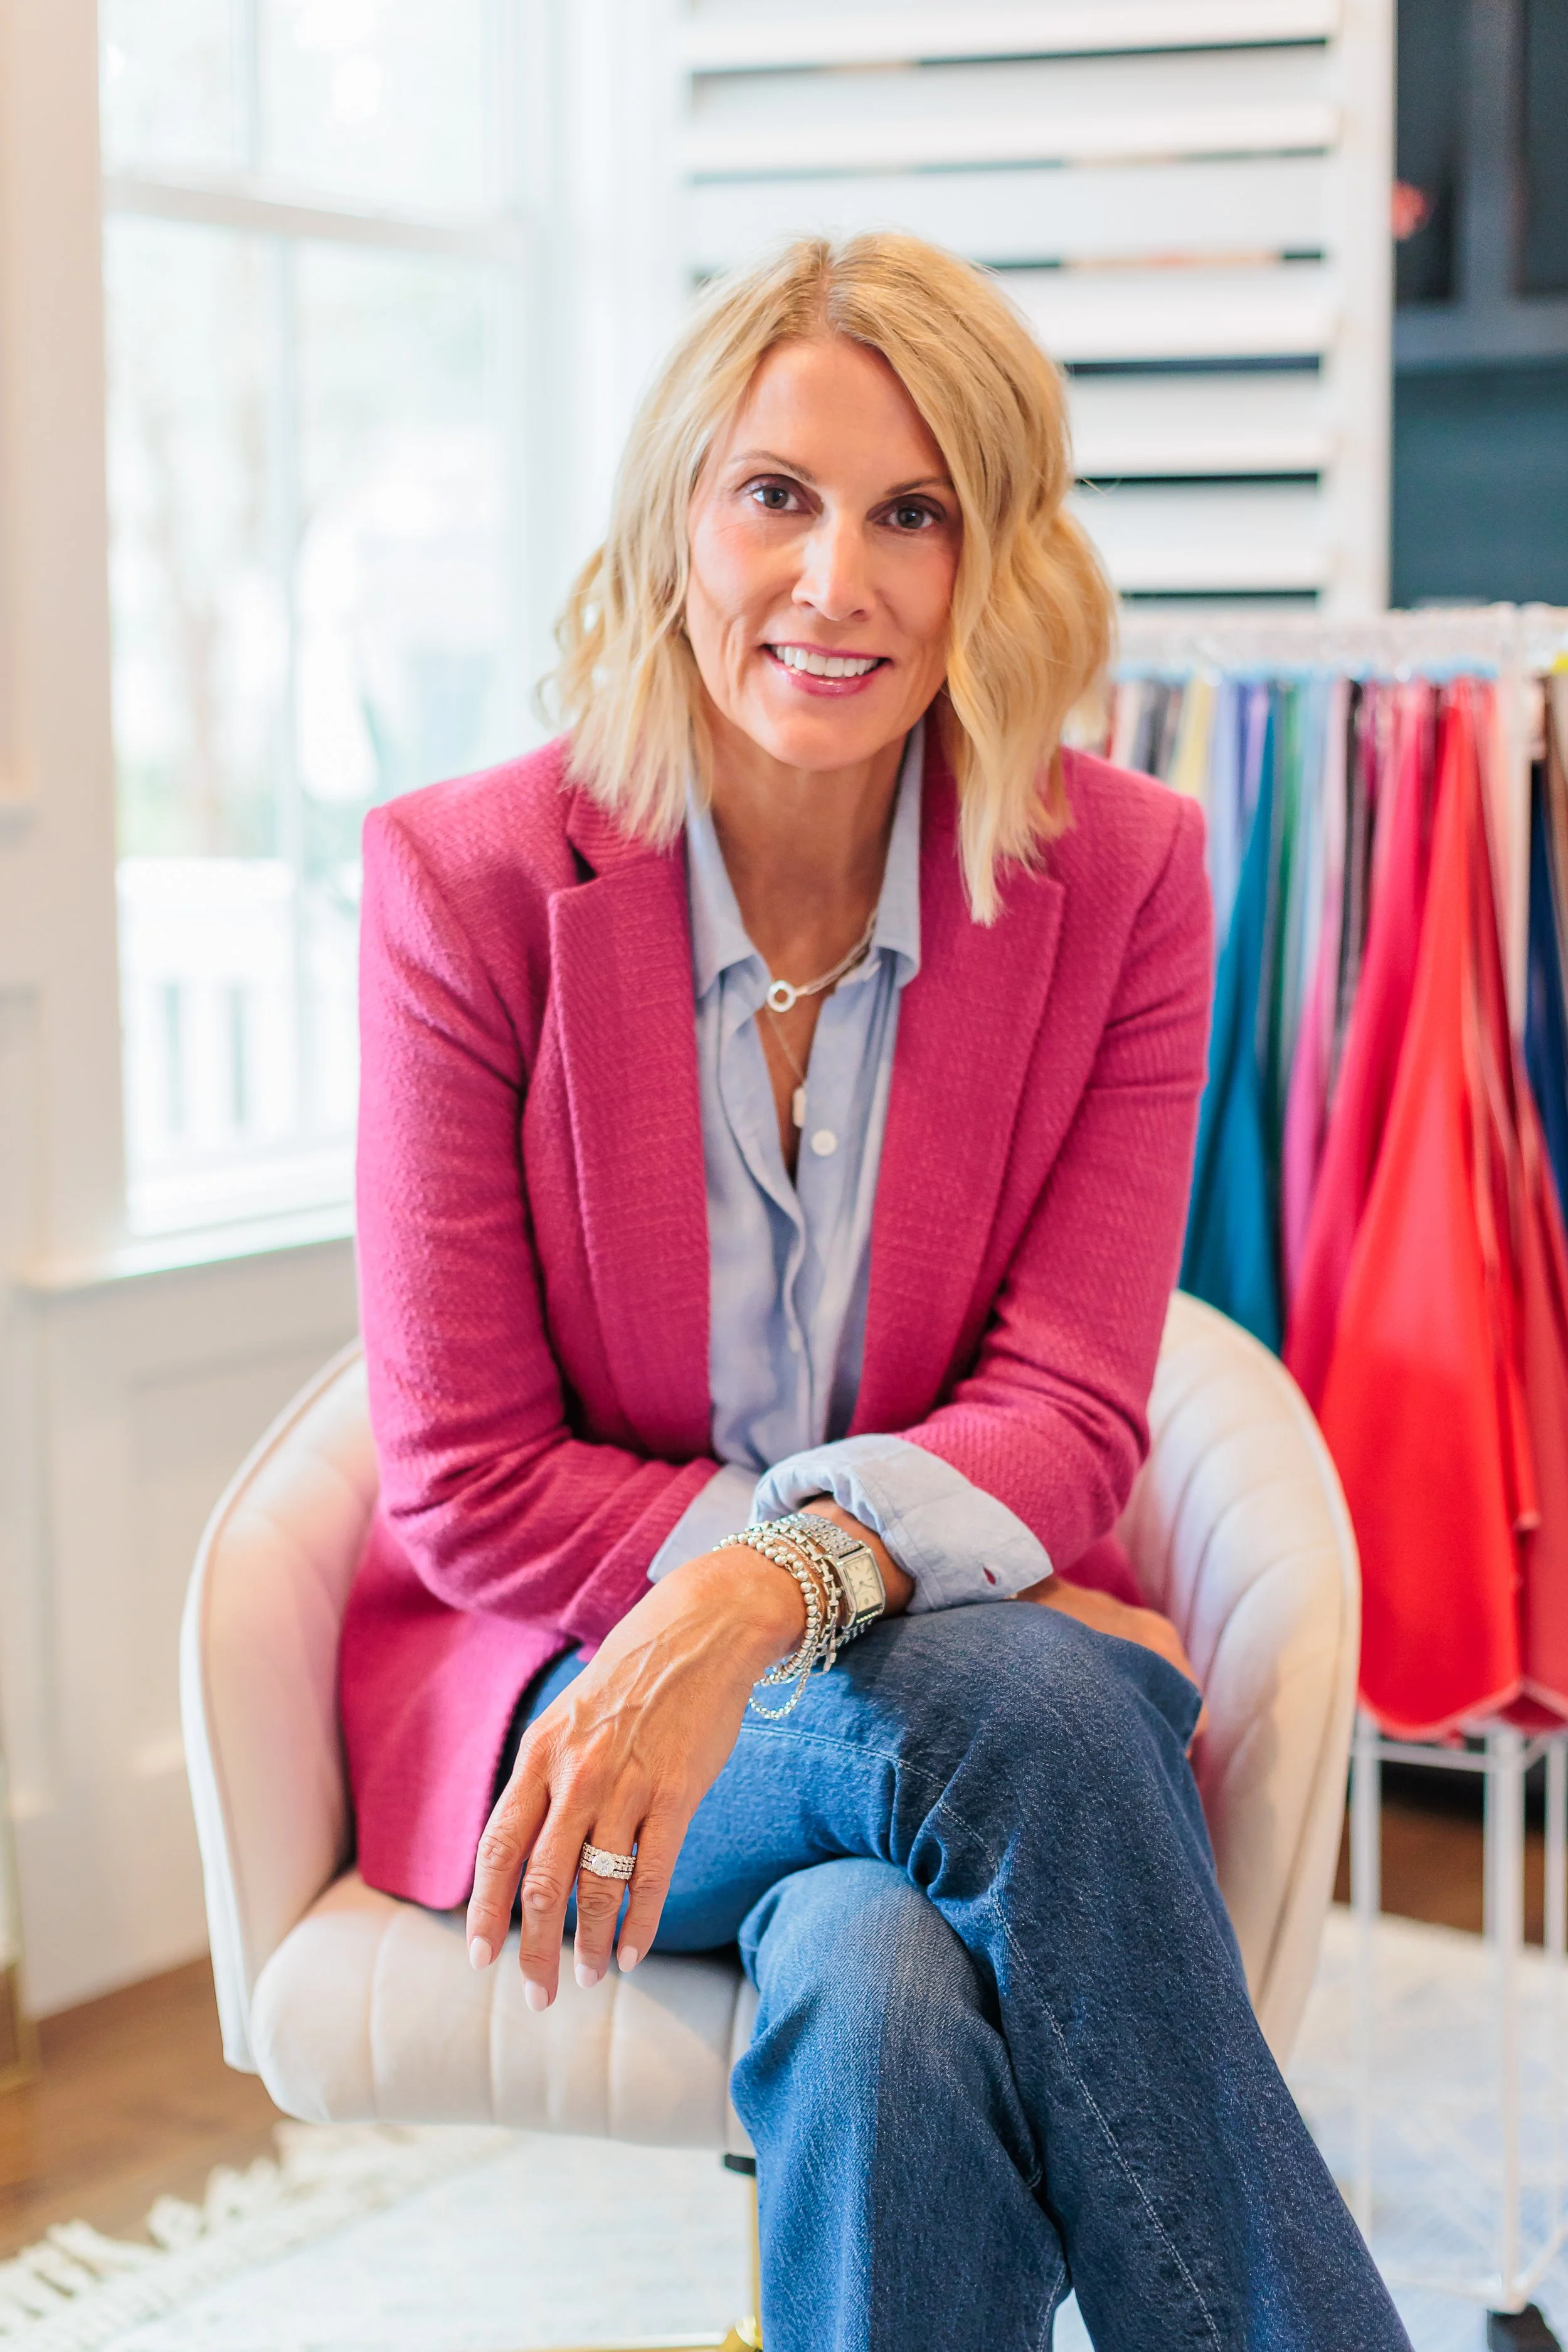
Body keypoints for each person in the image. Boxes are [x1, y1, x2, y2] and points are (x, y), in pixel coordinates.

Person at [341, 231, 1410, 2352]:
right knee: (1027, 1702)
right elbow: (464, 1479)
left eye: (910, 513)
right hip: (586, 1691)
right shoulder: (467, 885)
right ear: (677, 518)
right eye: (778, 496)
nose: (835, 581)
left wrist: (783, 1588)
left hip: (910, 1694)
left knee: (878, 1987)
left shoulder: (1119, 875)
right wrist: (818, 1588)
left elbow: (1073, 1408)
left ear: (990, 562)